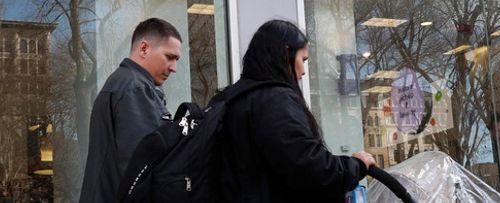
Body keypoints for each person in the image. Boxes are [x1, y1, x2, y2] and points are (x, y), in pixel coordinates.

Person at [214, 19, 375, 202]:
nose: (303, 71)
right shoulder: (274, 100)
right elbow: (311, 169)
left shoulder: (230, 99)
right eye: (303, 60)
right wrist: (357, 165)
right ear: (286, 54)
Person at [78, 18, 182, 203]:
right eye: (170, 57)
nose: (174, 68)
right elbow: (142, 168)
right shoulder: (134, 88)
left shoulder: (125, 82)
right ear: (144, 48)